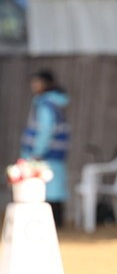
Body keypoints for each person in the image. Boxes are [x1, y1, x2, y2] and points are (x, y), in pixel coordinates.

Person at [20, 70, 70, 227]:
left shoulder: (46, 104)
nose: (33, 85)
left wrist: (37, 152)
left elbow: (46, 130)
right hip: (55, 154)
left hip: (45, 155)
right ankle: (56, 223)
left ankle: (52, 224)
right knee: (55, 189)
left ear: (46, 84)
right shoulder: (55, 102)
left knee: (47, 191)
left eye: (37, 82)